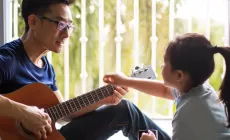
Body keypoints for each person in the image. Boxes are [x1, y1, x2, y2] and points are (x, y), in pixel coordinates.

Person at [0, 0, 171, 140]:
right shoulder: (8, 60)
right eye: (60, 24)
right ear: (33, 22)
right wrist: (24, 113)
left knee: (122, 109)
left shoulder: (46, 67)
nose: (66, 34)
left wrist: (105, 99)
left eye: (69, 26)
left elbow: (63, 112)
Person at [104, 33, 230, 140]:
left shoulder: (186, 117)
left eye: (165, 62)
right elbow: (164, 90)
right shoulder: (201, 88)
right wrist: (125, 81)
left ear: (179, 75)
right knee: (127, 110)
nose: (161, 66)